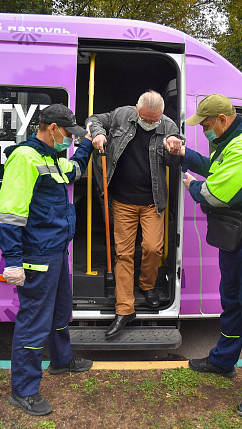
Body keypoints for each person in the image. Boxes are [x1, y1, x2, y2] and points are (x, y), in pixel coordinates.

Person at [167, 93, 242, 419]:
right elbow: (216, 169)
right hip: (240, 237)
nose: (204, 130)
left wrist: (190, 182)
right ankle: (223, 361)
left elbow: (214, 193)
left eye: (206, 125)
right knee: (232, 301)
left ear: (222, 119)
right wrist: (185, 154)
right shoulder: (230, 141)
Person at [0, 104, 94, 416]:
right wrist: (12, 260)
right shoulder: (24, 158)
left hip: (55, 249)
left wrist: (89, 143)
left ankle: (62, 360)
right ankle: (23, 391)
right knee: (34, 322)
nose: (70, 140)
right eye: (68, 134)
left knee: (61, 310)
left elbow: (75, 170)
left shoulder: (50, 157)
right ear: (53, 129)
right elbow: (9, 215)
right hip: (37, 255)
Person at [86, 90, 184, 338]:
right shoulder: (121, 115)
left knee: (153, 248)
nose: (150, 124)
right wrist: (97, 134)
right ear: (137, 110)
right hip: (122, 201)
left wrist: (175, 151)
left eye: (155, 120)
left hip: (153, 202)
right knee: (124, 253)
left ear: (161, 115)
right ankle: (124, 309)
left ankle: (148, 285)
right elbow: (94, 118)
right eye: (146, 119)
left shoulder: (169, 126)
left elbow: (174, 163)